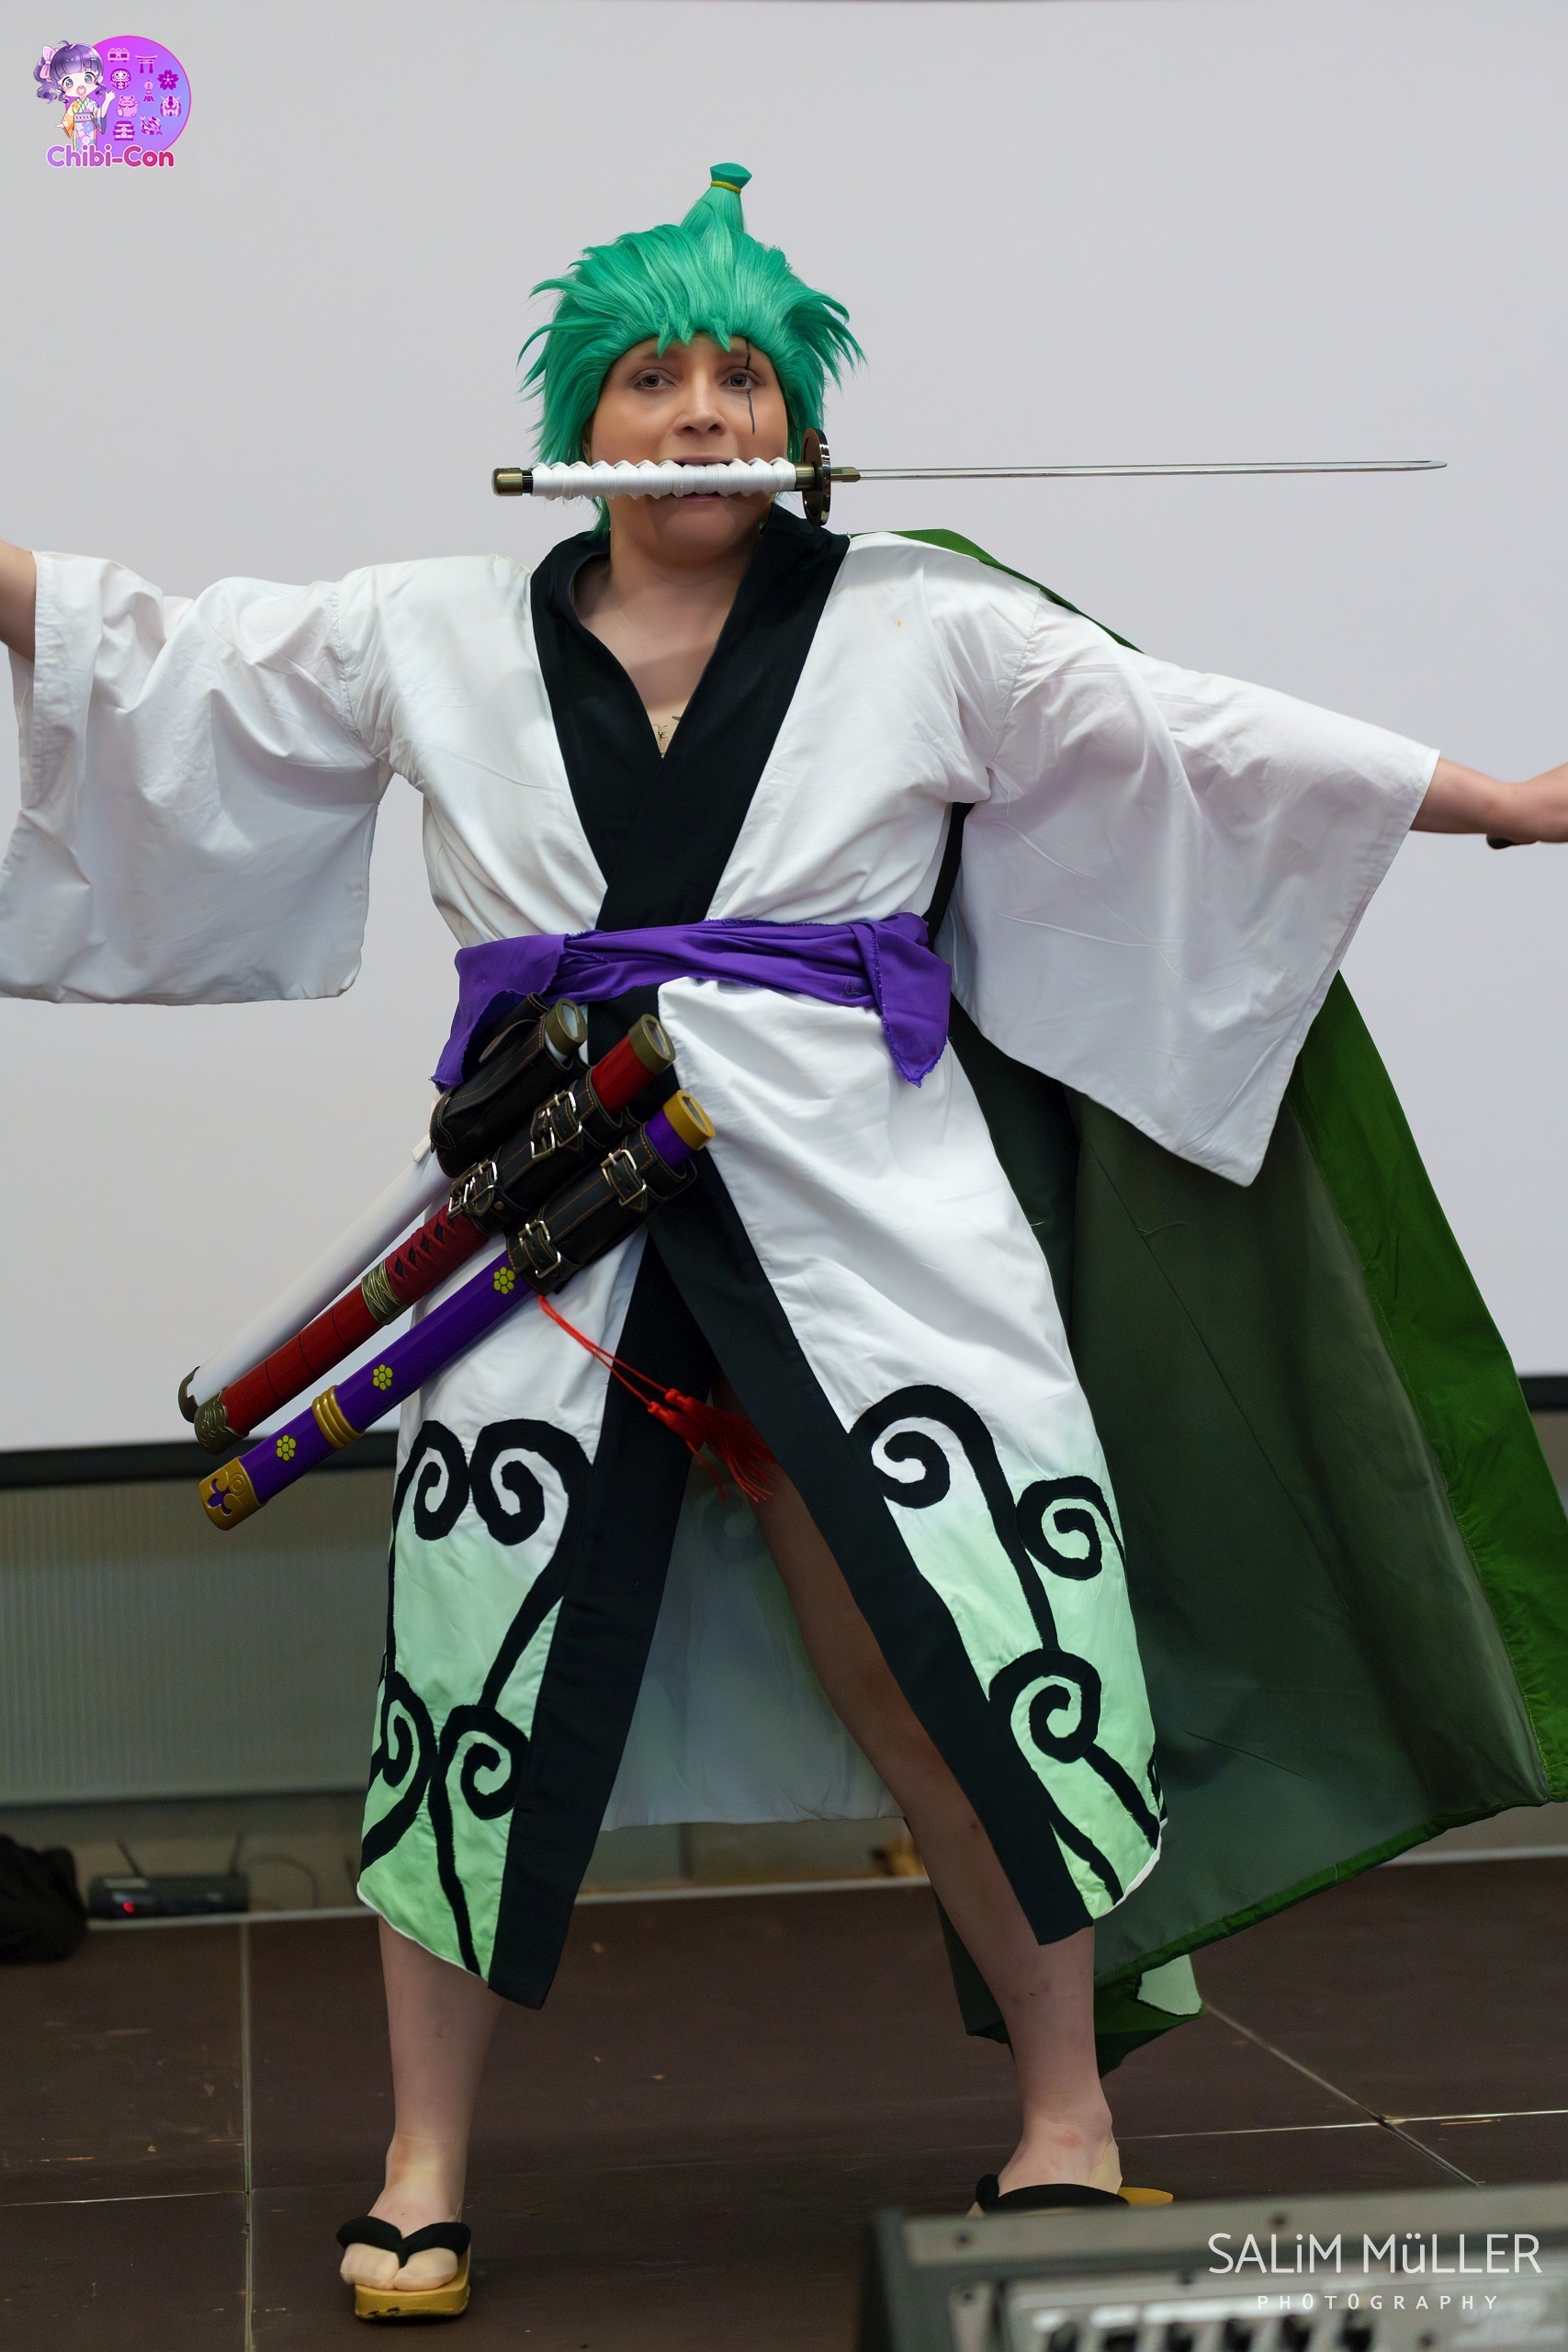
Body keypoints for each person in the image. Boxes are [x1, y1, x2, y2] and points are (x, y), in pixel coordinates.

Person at [3, 163, 1567, 2322]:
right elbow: (167, 662)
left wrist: (1495, 803)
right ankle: (422, 2156)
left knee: (958, 1646)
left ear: (799, 424)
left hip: (864, 1207)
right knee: (469, 1667)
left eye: (740, 376)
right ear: (581, 419)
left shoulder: (922, 622)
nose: (695, 411)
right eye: (649, 375)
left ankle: (1064, 2116)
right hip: (550, 1201)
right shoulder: (425, 627)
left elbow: (1183, 731)